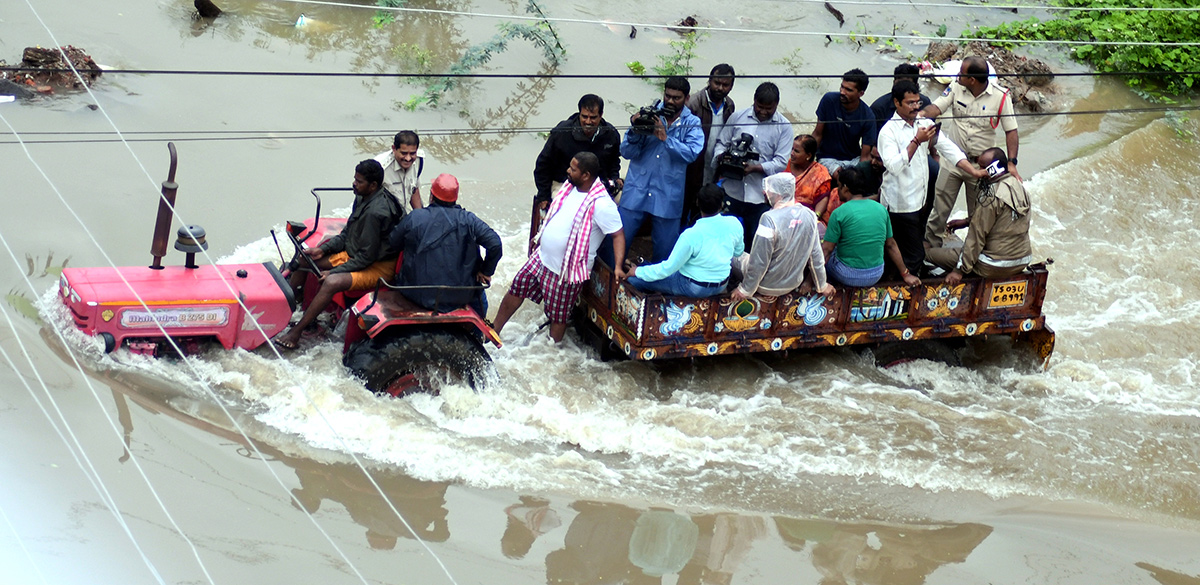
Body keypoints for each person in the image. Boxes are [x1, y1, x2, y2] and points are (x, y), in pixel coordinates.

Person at [493, 152, 626, 343]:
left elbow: (617, 234)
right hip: (542, 257)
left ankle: (552, 354)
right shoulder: (571, 187)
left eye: (573, 169)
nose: (568, 171)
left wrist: (619, 266)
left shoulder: (603, 205)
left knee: (558, 316)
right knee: (516, 287)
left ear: (586, 175)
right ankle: (493, 331)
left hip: (565, 271)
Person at [275, 159, 402, 349]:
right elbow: (346, 234)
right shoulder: (361, 197)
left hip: (377, 266)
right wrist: (323, 249)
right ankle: (283, 313)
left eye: (359, 181)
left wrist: (334, 272)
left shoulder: (377, 213)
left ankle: (296, 332)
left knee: (331, 282)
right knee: (305, 258)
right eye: (355, 179)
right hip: (357, 254)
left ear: (373, 185)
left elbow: (366, 258)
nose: (354, 184)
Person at [877, 80, 984, 276]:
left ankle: (905, 276)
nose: (915, 107)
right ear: (897, 103)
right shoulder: (888, 132)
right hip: (899, 204)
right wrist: (917, 141)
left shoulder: (925, 124)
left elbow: (949, 149)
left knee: (911, 247)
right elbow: (893, 167)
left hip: (919, 201)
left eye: (917, 102)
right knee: (907, 251)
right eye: (909, 103)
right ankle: (899, 285)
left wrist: (974, 171)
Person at [921, 56, 1020, 248]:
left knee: (980, 213)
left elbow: (1011, 131)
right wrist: (921, 115)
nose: (957, 75)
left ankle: (974, 254)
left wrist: (1011, 163)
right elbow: (937, 107)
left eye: (962, 73)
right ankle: (930, 249)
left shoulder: (1001, 97)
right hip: (953, 162)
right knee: (939, 207)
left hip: (982, 168)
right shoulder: (956, 87)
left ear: (972, 80)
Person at [617, 75, 706, 263]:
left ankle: (655, 286)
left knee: (665, 253)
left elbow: (691, 154)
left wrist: (666, 139)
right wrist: (635, 130)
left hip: (668, 194)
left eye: (677, 98)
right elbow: (626, 151)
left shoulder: (693, 124)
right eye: (668, 96)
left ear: (687, 98)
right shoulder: (649, 115)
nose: (671, 101)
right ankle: (610, 280)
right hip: (637, 189)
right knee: (618, 241)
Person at [387, 173, 502, 317]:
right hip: (461, 296)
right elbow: (495, 244)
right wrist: (486, 271)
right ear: (455, 198)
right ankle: (479, 335)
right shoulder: (469, 220)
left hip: (415, 293)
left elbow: (393, 243)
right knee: (481, 303)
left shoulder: (415, 217)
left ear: (431, 196)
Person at [926, 148, 1032, 282]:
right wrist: (967, 221)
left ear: (994, 169)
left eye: (983, 167)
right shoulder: (1019, 187)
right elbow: (1003, 220)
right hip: (1021, 260)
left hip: (993, 264)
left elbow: (976, 237)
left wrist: (959, 270)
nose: (979, 171)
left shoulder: (991, 196)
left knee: (927, 253)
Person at [713, 81, 793, 251]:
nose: (763, 112)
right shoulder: (737, 118)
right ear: (754, 100)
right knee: (724, 236)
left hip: (761, 196)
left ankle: (747, 275)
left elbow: (781, 162)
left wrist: (755, 168)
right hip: (732, 190)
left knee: (755, 240)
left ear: (776, 105)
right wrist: (723, 157)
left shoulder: (784, 127)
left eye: (768, 108)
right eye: (759, 106)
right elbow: (721, 142)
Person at [624, 184, 743, 297]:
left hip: (693, 287)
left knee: (634, 280)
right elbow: (738, 252)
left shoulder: (691, 234)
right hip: (721, 284)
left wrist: (637, 272)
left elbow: (667, 269)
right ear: (721, 205)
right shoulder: (734, 224)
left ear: (698, 203)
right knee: (660, 271)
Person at [731, 173, 834, 302]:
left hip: (766, 285)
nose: (765, 193)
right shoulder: (809, 215)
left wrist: (745, 290)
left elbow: (759, 261)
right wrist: (822, 285)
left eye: (768, 192)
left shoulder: (769, 218)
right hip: (792, 284)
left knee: (733, 255)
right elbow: (816, 255)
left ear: (778, 195)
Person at [822, 165, 920, 288]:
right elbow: (891, 245)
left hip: (847, 275)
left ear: (845, 188)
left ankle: (828, 286)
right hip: (876, 274)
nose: (837, 190)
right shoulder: (881, 209)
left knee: (828, 252)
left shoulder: (839, 213)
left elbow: (827, 250)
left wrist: (812, 281)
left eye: (839, 186)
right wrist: (906, 274)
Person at [869, 63, 940, 222]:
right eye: (898, 83)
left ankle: (923, 213)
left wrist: (934, 153)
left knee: (934, 169)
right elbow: (874, 141)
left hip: (917, 151)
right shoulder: (880, 106)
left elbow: (929, 131)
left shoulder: (924, 102)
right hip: (886, 153)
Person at [532, 94, 623, 207]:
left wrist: (614, 179)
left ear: (601, 115)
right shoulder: (562, 132)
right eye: (584, 117)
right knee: (568, 208)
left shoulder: (611, 134)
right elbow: (543, 165)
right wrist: (543, 195)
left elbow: (614, 162)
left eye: (593, 117)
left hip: (599, 185)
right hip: (564, 183)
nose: (588, 122)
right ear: (579, 114)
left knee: (624, 202)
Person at [683, 63, 736, 226]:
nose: (720, 88)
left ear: (731, 86)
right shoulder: (694, 103)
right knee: (687, 205)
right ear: (709, 81)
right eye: (717, 83)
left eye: (725, 85)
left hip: (714, 165)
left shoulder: (729, 106)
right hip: (693, 166)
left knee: (707, 208)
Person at [813, 68, 877, 175]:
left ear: (861, 93)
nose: (842, 92)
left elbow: (865, 156)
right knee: (839, 175)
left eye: (849, 90)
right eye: (842, 87)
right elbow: (817, 134)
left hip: (852, 160)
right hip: (827, 158)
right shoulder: (828, 100)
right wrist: (808, 157)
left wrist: (860, 175)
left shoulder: (868, 116)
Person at [786, 134, 837, 224]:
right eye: (792, 149)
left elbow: (823, 199)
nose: (792, 153)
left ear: (808, 155)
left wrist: (814, 217)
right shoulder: (785, 164)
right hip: (782, 212)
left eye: (796, 151)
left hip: (806, 218)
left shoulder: (820, 173)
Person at [375, 130, 424, 214]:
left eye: (412, 153)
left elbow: (414, 189)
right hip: (384, 217)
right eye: (404, 153)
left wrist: (421, 216)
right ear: (394, 149)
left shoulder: (419, 160)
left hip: (403, 214)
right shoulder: (379, 167)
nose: (408, 158)